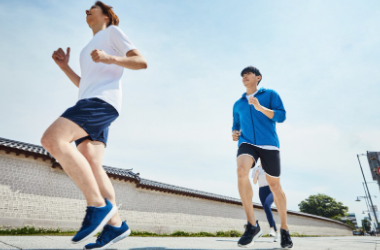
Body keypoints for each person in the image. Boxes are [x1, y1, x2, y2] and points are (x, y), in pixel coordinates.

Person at [40, 1, 147, 249]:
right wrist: (65, 67)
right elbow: (85, 85)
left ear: (106, 16)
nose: (86, 10)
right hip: (92, 101)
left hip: (101, 104)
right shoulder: (86, 48)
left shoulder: (113, 33)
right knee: (91, 161)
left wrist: (110, 57)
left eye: (92, 8)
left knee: (52, 140)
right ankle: (116, 226)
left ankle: (97, 205)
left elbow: (141, 62)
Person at [232, 66, 293, 248]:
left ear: (258, 77)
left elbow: (281, 116)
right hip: (247, 142)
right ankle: (252, 225)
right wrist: (234, 133)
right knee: (241, 171)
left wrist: (260, 107)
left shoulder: (270, 94)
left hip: (269, 144)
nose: (244, 77)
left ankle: (284, 229)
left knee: (275, 186)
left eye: (248, 74)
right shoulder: (238, 104)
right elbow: (236, 124)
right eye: (242, 75)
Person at [252, 164, 278, 242]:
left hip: (271, 189)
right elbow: (254, 182)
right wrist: (256, 174)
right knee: (267, 210)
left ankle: (271, 228)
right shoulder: (256, 169)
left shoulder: (270, 165)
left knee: (267, 205)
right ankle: (276, 232)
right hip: (262, 191)